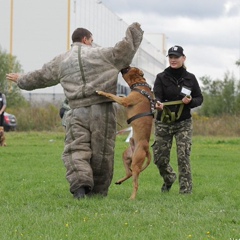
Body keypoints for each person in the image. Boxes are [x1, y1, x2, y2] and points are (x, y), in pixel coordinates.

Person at [6, 22, 144, 199]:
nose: (93, 43)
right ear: (86, 39)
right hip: (102, 109)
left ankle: (80, 186)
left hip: (76, 110)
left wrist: (21, 79)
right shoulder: (101, 53)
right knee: (102, 151)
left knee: (76, 148)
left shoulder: (61, 60)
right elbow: (124, 51)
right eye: (92, 40)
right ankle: (98, 192)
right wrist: (134, 31)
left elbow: (40, 76)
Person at [152, 45, 203, 194]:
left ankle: (185, 192)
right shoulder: (161, 77)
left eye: (176, 57)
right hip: (164, 122)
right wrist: (158, 103)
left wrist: (191, 101)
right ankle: (169, 178)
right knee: (160, 158)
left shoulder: (190, 78)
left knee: (183, 156)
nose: (173, 60)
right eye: (171, 57)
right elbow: (157, 96)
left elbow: (200, 98)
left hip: (183, 123)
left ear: (183, 58)